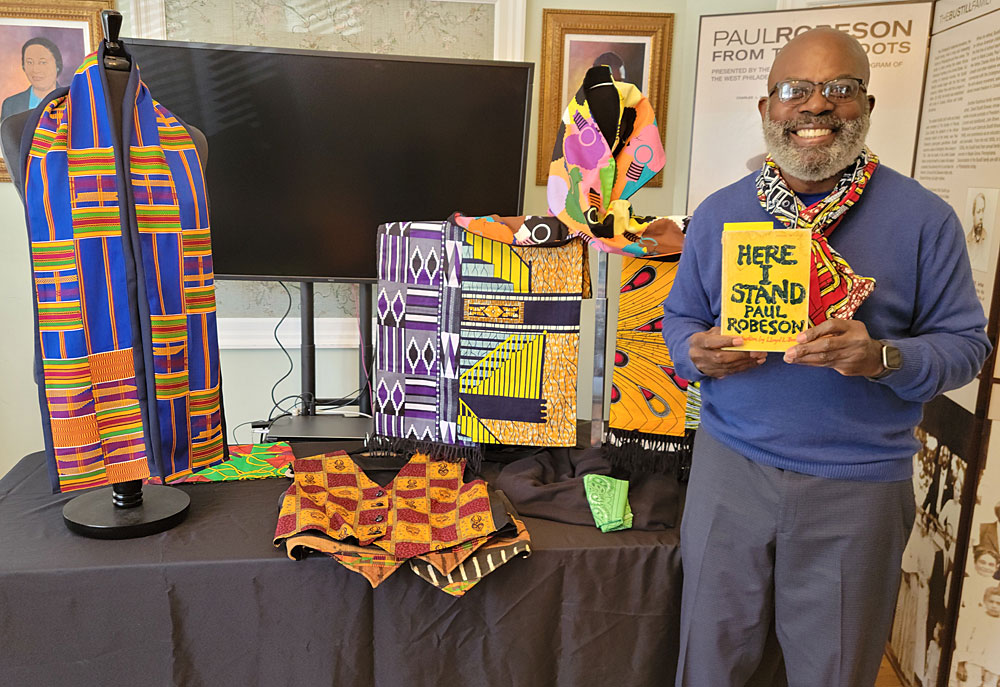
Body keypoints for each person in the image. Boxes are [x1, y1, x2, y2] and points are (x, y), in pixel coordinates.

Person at [662, 27, 990, 687]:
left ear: (866, 107)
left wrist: (882, 357)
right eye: (795, 90)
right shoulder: (722, 212)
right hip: (731, 471)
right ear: (766, 109)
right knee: (711, 658)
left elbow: (966, 349)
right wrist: (695, 353)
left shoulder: (925, 220)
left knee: (833, 668)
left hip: (859, 486)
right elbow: (680, 318)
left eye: (839, 90)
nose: (816, 106)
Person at [0, 37, 63, 122]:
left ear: (57, 65)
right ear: (23, 66)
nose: (35, 70)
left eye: (43, 62)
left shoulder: (71, 101)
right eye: (30, 62)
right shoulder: (10, 104)